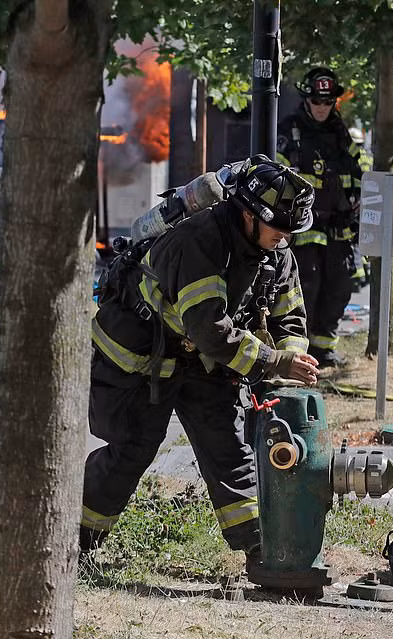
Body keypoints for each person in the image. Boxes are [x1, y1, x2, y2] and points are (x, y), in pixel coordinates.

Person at [81, 155, 320, 561]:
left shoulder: (277, 253)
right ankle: (75, 542)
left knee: (230, 451)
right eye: (278, 229)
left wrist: (292, 362)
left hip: (204, 362)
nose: (285, 238)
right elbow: (209, 330)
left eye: (290, 232)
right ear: (249, 215)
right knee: (133, 448)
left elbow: (290, 318)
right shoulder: (201, 241)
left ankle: (263, 549)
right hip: (142, 355)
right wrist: (274, 363)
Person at [277, 67, 366, 367]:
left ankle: (324, 349)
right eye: (317, 102)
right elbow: (277, 175)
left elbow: (359, 168)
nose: (322, 108)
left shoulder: (341, 133)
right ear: (307, 99)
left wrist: (358, 200)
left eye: (328, 103)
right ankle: (299, 349)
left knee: (339, 286)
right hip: (303, 225)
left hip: (339, 227)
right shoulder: (289, 131)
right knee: (307, 285)